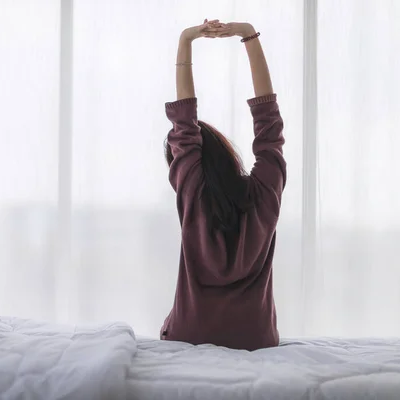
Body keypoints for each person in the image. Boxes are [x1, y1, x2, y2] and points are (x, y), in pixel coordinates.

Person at [160, 19, 286, 351]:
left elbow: (184, 132)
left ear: (182, 167)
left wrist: (186, 40)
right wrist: (248, 34)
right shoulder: (264, 194)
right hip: (256, 338)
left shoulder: (193, 196)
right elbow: (268, 126)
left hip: (192, 334)